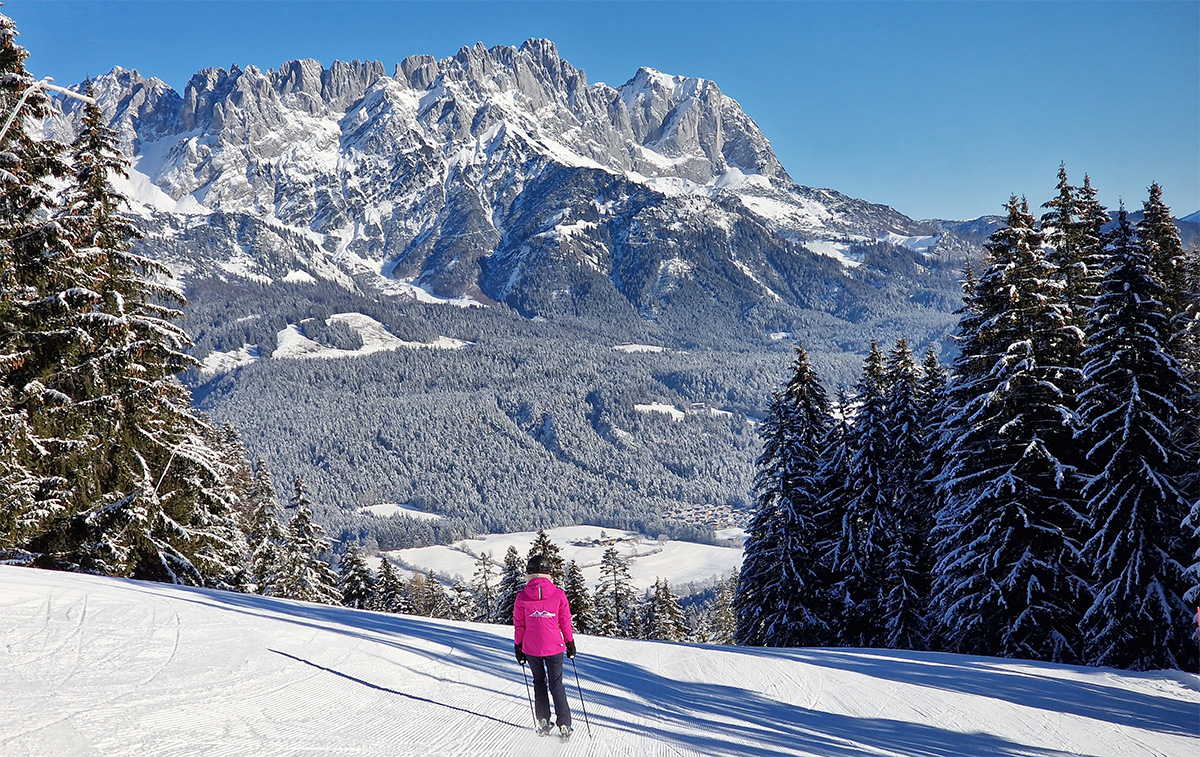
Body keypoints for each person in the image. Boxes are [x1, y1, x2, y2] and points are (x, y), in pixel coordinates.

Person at [514, 554, 577, 738]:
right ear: (549, 572)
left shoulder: (522, 596)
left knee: (539, 683)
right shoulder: (558, 594)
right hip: (555, 646)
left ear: (529, 573)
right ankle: (564, 724)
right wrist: (569, 642)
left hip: (531, 647)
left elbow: (519, 624)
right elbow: (565, 621)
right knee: (556, 684)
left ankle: (543, 721)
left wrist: (518, 646)